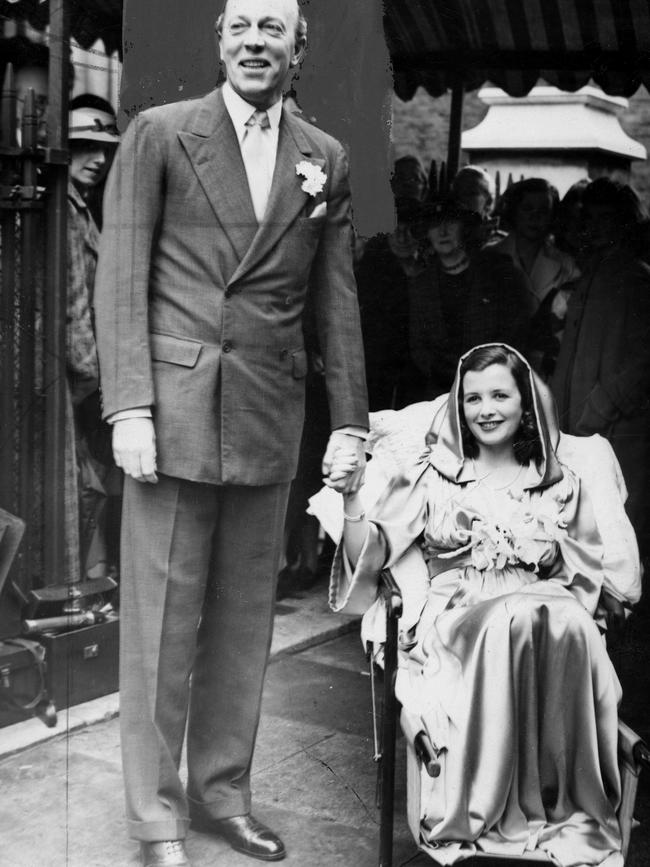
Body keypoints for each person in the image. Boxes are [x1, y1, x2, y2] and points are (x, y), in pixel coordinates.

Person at [93, 1, 368, 865]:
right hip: (170, 418)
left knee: (244, 628)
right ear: (219, 41)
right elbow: (120, 275)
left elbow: (338, 298)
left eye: (273, 30)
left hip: (265, 414)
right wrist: (128, 406)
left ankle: (221, 796)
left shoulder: (324, 157)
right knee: (161, 631)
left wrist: (351, 422)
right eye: (241, 26)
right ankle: (156, 820)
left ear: (298, 48)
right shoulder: (161, 133)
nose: (256, 42)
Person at [327, 343, 637, 866]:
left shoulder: (559, 482)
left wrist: (555, 577)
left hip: (544, 610)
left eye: (500, 394)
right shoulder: (431, 476)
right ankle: (496, 812)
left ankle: (569, 807)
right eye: (473, 398)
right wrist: (354, 498)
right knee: (521, 616)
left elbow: (584, 580)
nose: (486, 409)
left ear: (526, 403)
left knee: (569, 624)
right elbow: (371, 557)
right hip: (459, 611)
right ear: (459, 406)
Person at [552, 177, 650, 557]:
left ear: (624, 223)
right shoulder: (590, 276)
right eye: (588, 218)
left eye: (606, 218)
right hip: (583, 430)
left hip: (619, 432)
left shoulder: (637, 277)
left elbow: (643, 362)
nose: (595, 227)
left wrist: (601, 403)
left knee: (621, 536)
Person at [66, 95, 121, 581]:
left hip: (79, 384)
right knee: (81, 490)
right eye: (85, 146)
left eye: (105, 148)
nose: (99, 159)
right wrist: (90, 379)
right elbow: (72, 306)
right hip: (71, 385)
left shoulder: (80, 207)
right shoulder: (64, 210)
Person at [407, 199, 532, 400]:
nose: (443, 232)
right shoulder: (421, 284)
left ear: (464, 229)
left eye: (451, 223)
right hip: (440, 395)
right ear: (426, 233)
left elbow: (515, 334)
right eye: (435, 225)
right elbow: (419, 347)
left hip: (494, 390)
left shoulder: (499, 274)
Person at [493, 177, 580, 313]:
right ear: (514, 212)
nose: (535, 217)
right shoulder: (490, 256)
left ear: (552, 216)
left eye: (543, 211)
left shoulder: (567, 265)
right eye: (527, 209)